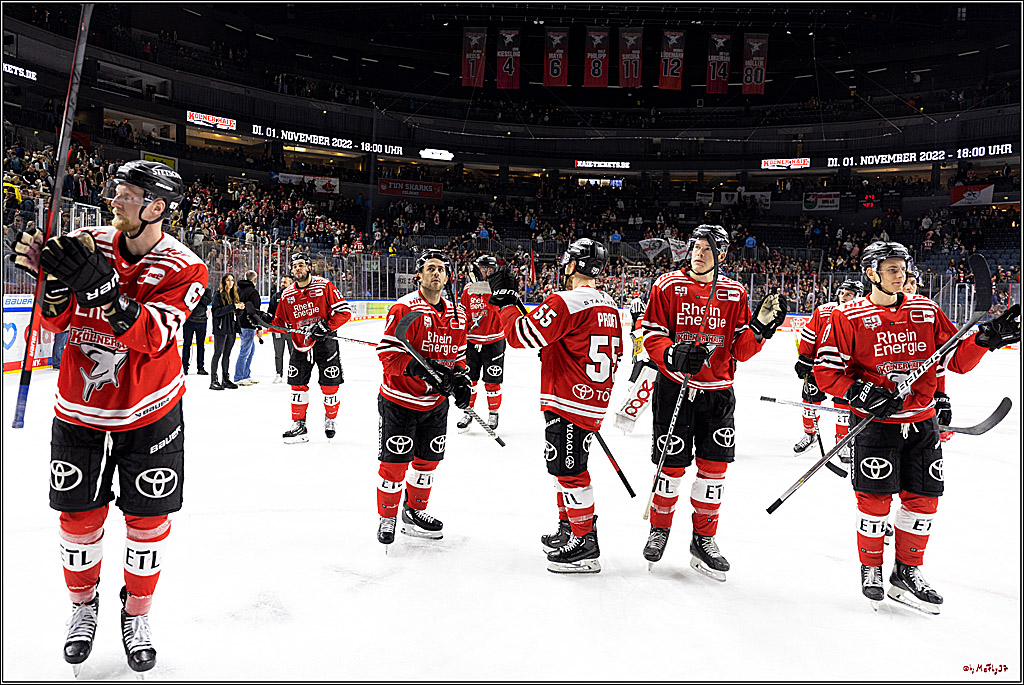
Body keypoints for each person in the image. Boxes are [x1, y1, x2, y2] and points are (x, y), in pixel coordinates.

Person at [7, 159, 205, 673]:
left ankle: (137, 612)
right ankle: (82, 608)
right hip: (80, 408)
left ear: (158, 207)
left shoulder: (186, 267)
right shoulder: (87, 241)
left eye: (128, 193)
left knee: (147, 520)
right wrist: (50, 285)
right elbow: (54, 321)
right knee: (77, 520)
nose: (114, 199)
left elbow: (156, 338)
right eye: (115, 189)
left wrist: (101, 292)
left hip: (150, 412)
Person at [814, 241, 1019, 613]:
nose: (901, 275)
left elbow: (953, 360)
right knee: (874, 501)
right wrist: (861, 392)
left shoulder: (926, 310)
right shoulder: (847, 316)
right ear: (871, 273)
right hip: (878, 424)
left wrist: (984, 340)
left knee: (924, 500)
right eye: (891, 269)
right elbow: (827, 372)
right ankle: (872, 569)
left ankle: (906, 571)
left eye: (903, 268)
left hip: (922, 422)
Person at [639, 224, 786, 581]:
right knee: (670, 469)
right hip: (675, 388)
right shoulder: (667, 285)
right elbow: (652, 335)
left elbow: (739, 350)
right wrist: (672, 354)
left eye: (707, 248)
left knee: (713, 472)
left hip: (718, 393)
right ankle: (659, 529)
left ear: (721, 255)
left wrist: (761, 331)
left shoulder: (735, 293)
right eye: (696, 247)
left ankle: (704, 539)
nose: (699, 253)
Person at [492, 239, 623, 574]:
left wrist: (506, 302)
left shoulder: (565, 301)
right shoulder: (609, 304)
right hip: (591, 398)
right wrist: (555, 351)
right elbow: (611, 353)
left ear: (570, 265)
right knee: (564, 468)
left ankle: (585, 544)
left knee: (569, 470)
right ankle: (569, 529)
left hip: (569, 399)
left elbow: (520, 335)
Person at [373, 249, 470, 546]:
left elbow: (459, 358)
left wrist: (461, 381)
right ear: (419, 275)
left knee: (427, 463)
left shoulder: (458, 313)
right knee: (395, 465)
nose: (436, 273)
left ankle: (414, 512)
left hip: (435, 405)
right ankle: (387, 516)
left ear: (448, 276)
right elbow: (388, 354)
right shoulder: (405, 309)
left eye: (441, 268)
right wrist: (416, 367)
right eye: (430, 268)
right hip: (399, 401)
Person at [257, 253, 351, 443]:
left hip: (325, 343)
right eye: (294, 266)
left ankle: (330, 419)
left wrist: (326, 326)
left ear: (309, 267)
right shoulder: (288, 294)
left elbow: (344, 312)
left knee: (329, 386)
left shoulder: (324, 285)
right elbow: (281, 322)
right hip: (300, 344)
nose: (297, 269)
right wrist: (263, 321)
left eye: (301, 265)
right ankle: (299, 424)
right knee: (297, 386)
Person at [793, 279, 864, 461]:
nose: (843, 297)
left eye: (848, 294)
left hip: (846, 372)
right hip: (819, 369)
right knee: (809, 404)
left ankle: (843, 442)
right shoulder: (824, 310)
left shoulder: (862, 314)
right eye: (842, 292)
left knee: (843, 410)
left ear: (858, 296)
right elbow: (809, 336)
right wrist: (804, 359)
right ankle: (810, 435)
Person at [456, 254, 506, 432]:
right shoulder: (468, 289)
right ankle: (468, 412)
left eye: (480, 267)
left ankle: (493, 413)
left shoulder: (499, 288)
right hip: (471, 342)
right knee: (469, 379)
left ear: (489, 270)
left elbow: (500, 308)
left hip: (494, 342)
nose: (475, 270)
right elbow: (463, 314)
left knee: (492, 381)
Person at [210, 274, 240, 390]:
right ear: (223, 282)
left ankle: (225, 379)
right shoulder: (218, 295)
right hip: (221, 328)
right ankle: (213, 380)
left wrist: (240, 308)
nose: (230, 282)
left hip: (231, 328)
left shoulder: (234, 295)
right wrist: (233, 306)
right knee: (218, 353)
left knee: (227, 354)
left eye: (232, 280)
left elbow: (234, 312)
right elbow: (216, 312)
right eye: (228, 280)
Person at [233, 269, 262, 386]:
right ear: (255, 280)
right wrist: (259, 327)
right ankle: (238, 377)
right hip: (248, 325)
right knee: (245, 351)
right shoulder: (253, 292)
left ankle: (246, 375)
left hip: (240, 324)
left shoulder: (238, 290)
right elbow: (256, 312)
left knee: (250, 350)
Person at [181, 275, 211, 376]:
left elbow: (207, 301)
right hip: (189, 321)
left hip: (202, 321)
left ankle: (200, 367)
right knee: (186, 344)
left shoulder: (207, 290)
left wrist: (200, 293)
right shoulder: (188, 289)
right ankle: (184, 367)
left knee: (201, 345)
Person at [267, 275, 295, 383]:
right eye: (282, 282)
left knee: (293, 353)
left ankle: (293, 373)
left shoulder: (296, 296)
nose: (282, 284)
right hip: (278, 330)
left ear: (291, 284)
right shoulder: (276, 296)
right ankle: (279, 374)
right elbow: (270, 311)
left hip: (292, 331)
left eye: (285, 282)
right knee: (278, 353)